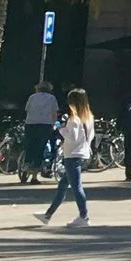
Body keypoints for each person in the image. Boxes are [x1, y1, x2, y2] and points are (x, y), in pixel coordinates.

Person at [39, 88, 96, 226]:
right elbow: (91, 135)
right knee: (63, 185)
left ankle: (84, 216)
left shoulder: (73, 119)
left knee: (76, 186)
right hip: (82, 153)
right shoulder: (89, 117)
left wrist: (60, 128)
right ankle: (48, 214)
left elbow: (72, 137)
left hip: (73, 155)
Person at [22, 79, 61, 177]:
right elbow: (54, 113)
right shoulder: (52, 98)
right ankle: (34, 175)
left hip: (30, 123)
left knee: (30, 146)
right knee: (40, 148)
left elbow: (27, 109)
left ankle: (26, 166)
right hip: (45, 124)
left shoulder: (32, 97)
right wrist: (53, 125)